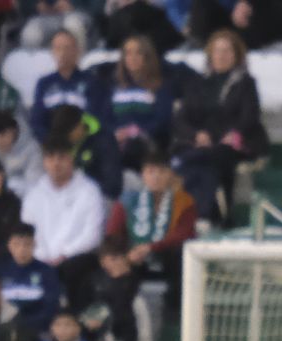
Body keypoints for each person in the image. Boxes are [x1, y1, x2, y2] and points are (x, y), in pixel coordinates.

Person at [170, 27, 266, 223]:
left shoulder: (246, 83)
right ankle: (203, 213)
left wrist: (228, 135)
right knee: (192, 160)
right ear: (210, 54)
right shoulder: (198, 83)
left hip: (233, 142)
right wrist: (196, 135)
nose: (221, 55)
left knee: (210, 158)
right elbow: (181, 118)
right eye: (217, 50)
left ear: (236, 55)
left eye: (227, 50)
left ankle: (208, 214)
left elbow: (250, 117)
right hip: (201, 142)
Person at [20, 138, 106, 309]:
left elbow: (93, 235)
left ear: (71, 159)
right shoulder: (34, 194)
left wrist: (64, 254)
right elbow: (27, 231)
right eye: (51, 158)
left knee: (75, 270)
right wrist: (43, 256)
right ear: (44, 161)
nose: (56, 163)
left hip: (76, 258)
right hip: (41, 257)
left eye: (61, 157)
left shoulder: (90, 190)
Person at [103, 147, 194, 304]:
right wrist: (123, 256)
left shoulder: (184, 201)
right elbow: (113, 234)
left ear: (171, 175)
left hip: (168, 255)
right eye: (151, 171)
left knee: (181, 257)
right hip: (135, 255)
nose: (156, 177)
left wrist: (151, 247)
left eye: (162, 172)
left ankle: (174, 317)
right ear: (143, 175)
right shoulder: (127, 201)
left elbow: (183, 233)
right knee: (117, 266)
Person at [102, 33, 177, 172]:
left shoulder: (160, 87)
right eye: (128, 53)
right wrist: (116, 133)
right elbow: (105, 118)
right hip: (117, 139)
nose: (133, 58)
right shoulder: (113, 87)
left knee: (132, 147)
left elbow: (162, 120)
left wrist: (138, 132)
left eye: (138, 53)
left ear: (147, 57)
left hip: (146, 142)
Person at [29, 28, 110, 143]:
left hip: (83, 144)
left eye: (67, 48)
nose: (62, 53)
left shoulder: (92, 82)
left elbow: (94, 118)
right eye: (57, 48)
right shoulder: (44, 83)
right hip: (52, 146)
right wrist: (50, 142)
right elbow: (37, 121)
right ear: (52, 52)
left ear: (77, 51)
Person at [0, 222, 64, 333]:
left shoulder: (46, 271)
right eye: (17, 244)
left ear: (34, 245)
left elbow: (50, 306)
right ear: (9, 246)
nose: (22, 249)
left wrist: (24, 326)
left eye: (27, 244)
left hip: (36, 330)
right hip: (4, 329)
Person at [0, 111, 44, 197]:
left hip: (23, 195)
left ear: (13, 131)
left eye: (3, 135)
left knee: (15, 183)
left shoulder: (32, 148)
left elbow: (34, 182)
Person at [19, 0, 98, 51]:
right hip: (46, 16)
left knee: (73, 25)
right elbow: (24, 5)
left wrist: (73, 5)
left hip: (77, 13)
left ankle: (76, 71)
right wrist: (36, 5)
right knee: (31, 34)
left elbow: (98, 7)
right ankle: (35, 73)